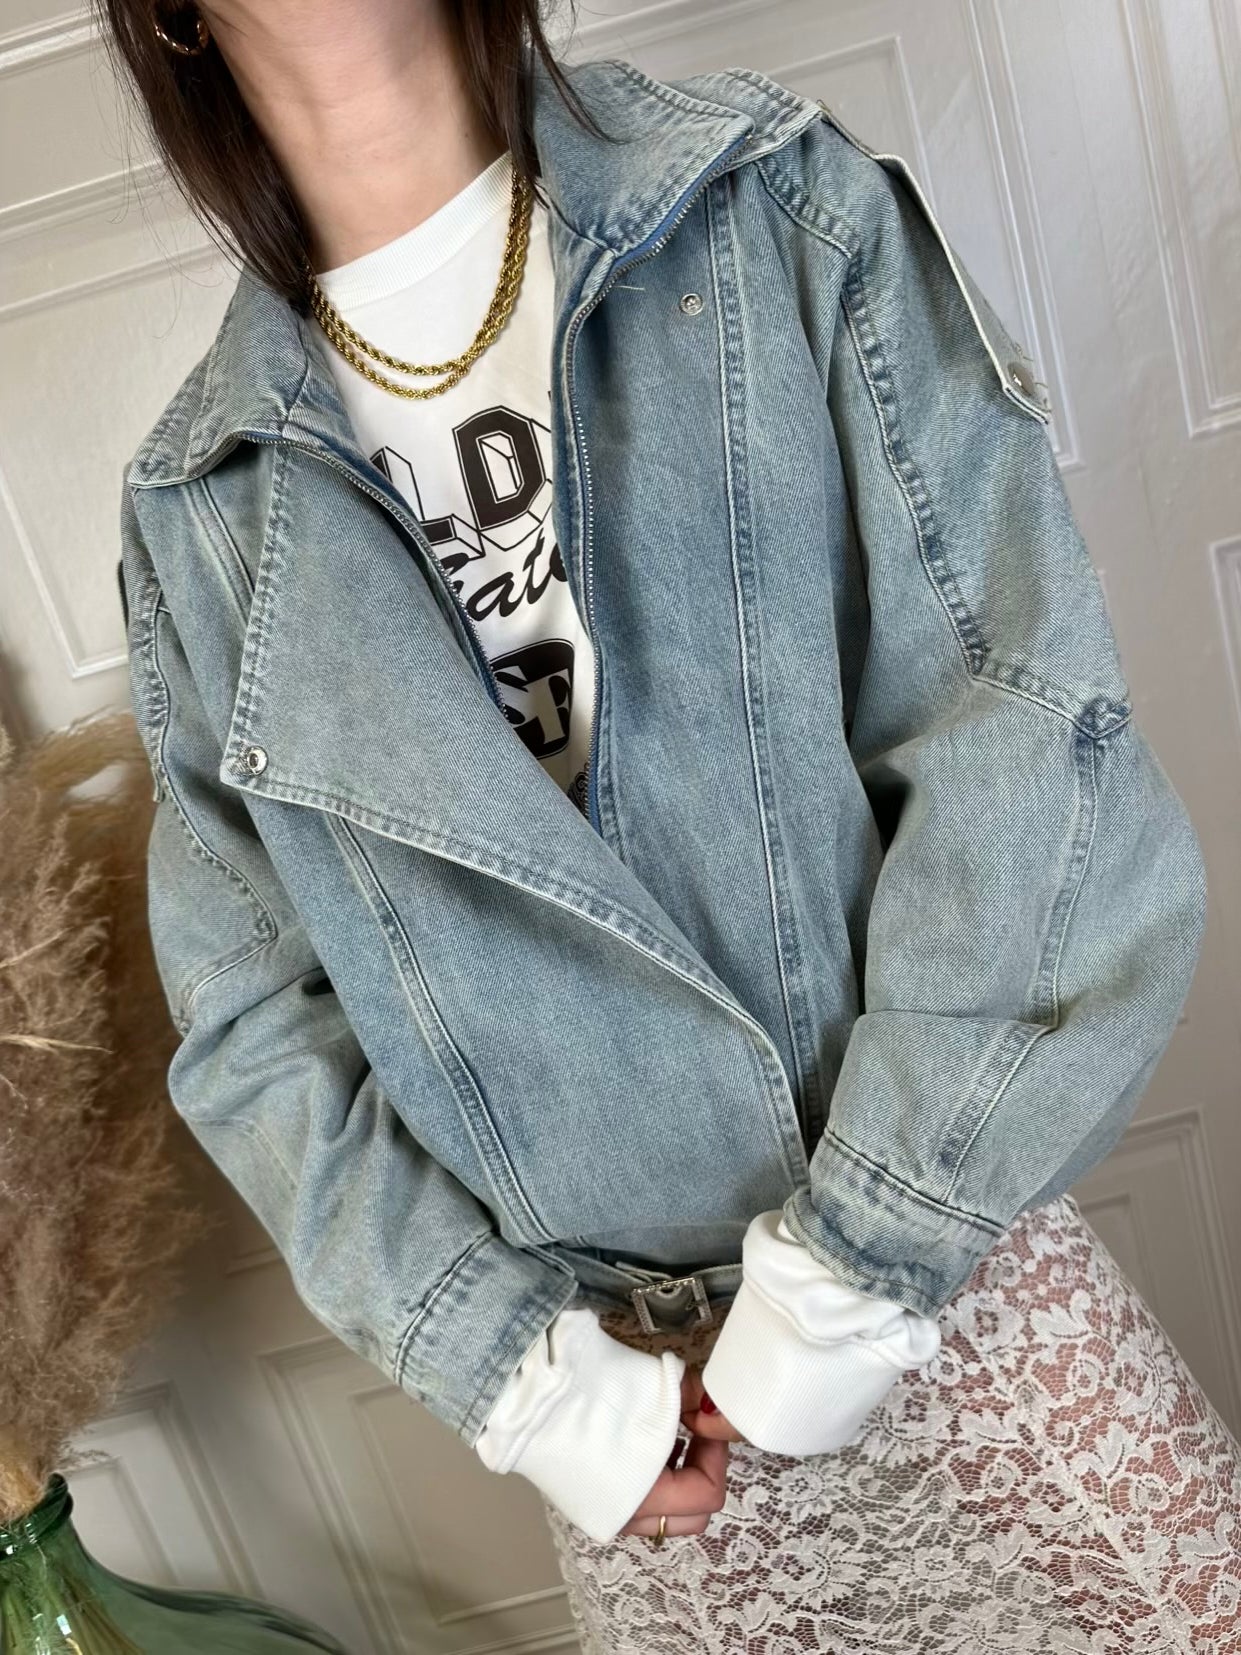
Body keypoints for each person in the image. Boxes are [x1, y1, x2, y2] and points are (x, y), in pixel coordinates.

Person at [103, 0, 1222, 1644]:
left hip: (953, 1282)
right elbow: (258, 1026)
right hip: (639, 1424)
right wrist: (524, 1377)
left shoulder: (770, 207)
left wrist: (848, 1276)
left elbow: (1019, 730)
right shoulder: (202, 508)